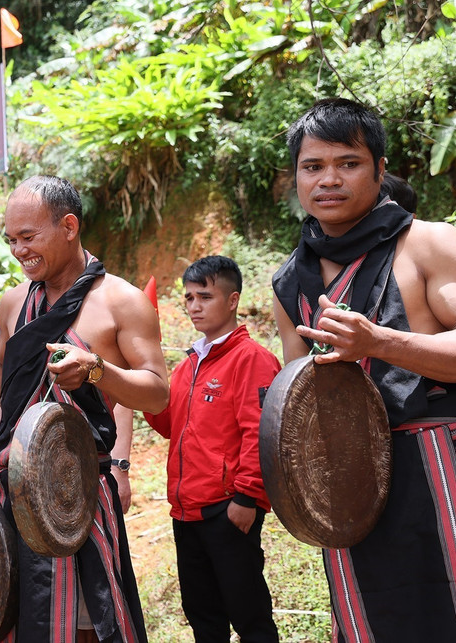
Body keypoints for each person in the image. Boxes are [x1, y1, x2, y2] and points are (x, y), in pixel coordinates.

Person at [272, 98, 456, 641]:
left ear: (379, 169)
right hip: (351, 484)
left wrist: (379, 341)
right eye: (313, 166)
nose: (329, 179)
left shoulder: (429, 245)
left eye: (348, 163)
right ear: (296, 178)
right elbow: (302, 402)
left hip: (443, 461)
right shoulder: (290, 283)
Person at [0, 175, 169, 642]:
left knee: (87, 620)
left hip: (77, 493)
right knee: (10, 615)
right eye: (11, 239)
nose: (18, 251)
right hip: (9, 486)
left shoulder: (121, 302)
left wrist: (98, 370)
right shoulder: (14, 302)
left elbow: (157, 392)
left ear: (69, 225)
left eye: (29, 237)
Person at [145, 256, 280, 642]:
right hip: (185, 513)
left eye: (204, 296)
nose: (194, 307)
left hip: (228, 510)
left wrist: (247, 496)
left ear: (232, 299)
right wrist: (138, 390)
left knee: (250, 617)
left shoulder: (251, 359)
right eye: (188, 298)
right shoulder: (188, 366)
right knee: (204, 620)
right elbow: (169, 425)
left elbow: (260, 431)